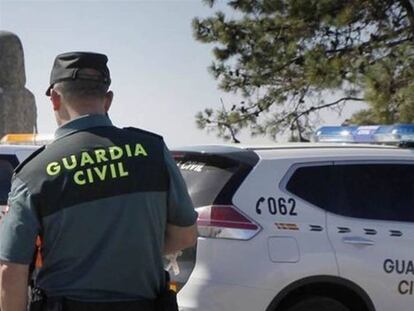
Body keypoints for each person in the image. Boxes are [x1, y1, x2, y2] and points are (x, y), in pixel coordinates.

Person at [0, 52, 198, 311]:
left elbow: (10, 269)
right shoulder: (153, 151)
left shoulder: (34, 172)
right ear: (108, 100)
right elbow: (185, 236)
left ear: (55, 99)